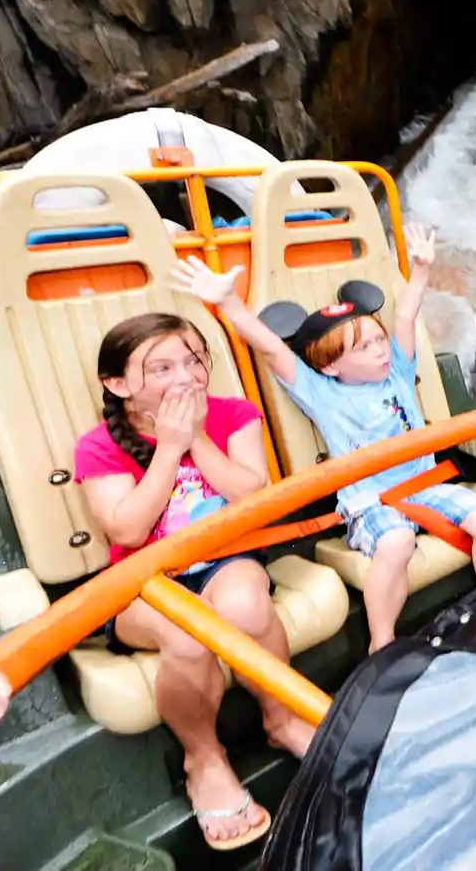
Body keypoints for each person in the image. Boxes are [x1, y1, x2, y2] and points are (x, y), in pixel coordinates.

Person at [170, 224, 476, 654]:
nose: (381, 350)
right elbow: (273, 349)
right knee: (396, 542)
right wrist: (229, 303)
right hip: (372, 503)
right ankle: (382, 641)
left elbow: (405, 315)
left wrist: (420, 270)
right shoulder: (323, 393)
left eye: (379, 340)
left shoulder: (399, 371)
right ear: (331, 367)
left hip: (427, 486)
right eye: (365, 348)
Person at [75, 312, 310, 851]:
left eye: (193, 360)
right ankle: (203, 757)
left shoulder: (235, 415)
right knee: (185, 632)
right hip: (144, 583)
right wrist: (167, 447)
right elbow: (129, 530)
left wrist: (198, 439)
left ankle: (282, 717)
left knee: (249, 606)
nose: (185, 376)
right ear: (117, 384)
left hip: (225, 559)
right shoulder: (96, 446)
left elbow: (254, 502)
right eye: (161, 368)